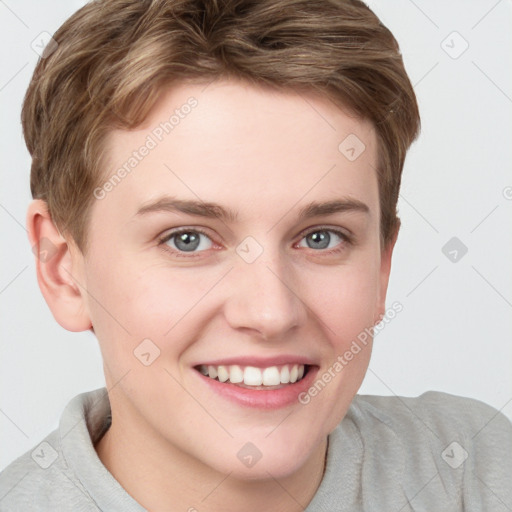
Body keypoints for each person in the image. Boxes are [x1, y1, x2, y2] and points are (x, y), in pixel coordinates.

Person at [1, 0, 511, 510]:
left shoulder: (475, 469)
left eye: (321, 238)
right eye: (188, 239)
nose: (270, 313)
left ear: (382, 266)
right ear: (63, 269)